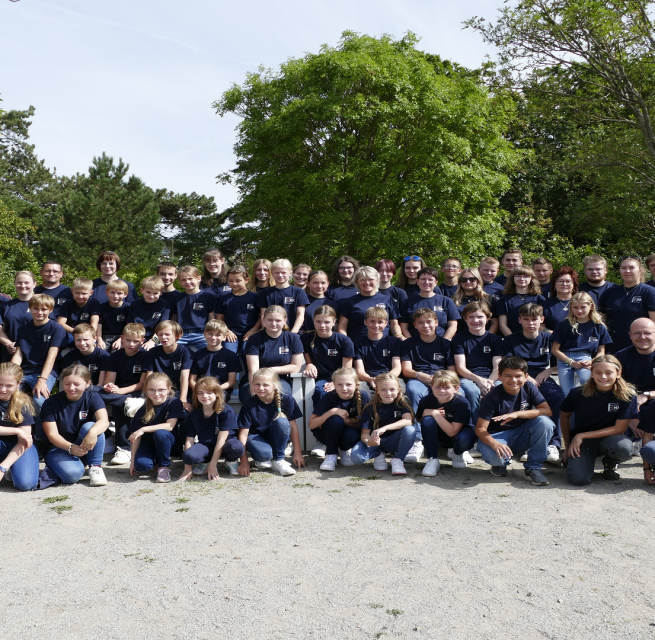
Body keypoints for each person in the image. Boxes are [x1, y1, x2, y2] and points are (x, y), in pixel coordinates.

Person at [475, 356, 554, 486]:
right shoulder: (492, 397)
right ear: (499, 376)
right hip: (498, 436)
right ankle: (500, 464)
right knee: (497, 458)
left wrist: (517, 414)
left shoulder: (529, 387)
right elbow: (480, 429)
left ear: (526, 376)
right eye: (508, 376)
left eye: (518, 376)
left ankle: (533, 467)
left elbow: (547, 411)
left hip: (521, 433)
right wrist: (494, 444)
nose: (513, 380)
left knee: (545, 422)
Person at [504, 303, 567, 464]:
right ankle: (529, 444)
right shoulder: (511, 339)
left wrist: (549, 370)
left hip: (542, 376)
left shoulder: (549, 339)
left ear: (542, 319)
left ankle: (553, 444)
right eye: (526, 319)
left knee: (557, 397)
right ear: (519, 320)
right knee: (524, 399)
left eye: (534, 319)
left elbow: (563, 362)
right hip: (518, 378)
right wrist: (525, 377)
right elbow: (508, 364)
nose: (530, 323)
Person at [560, 355, 636, 485]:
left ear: (618, 374)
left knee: (624, 447)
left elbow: (619, 429)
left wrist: (581, 435)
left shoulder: (627, 395)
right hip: (583, 442)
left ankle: (610, 463)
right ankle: (582, 461)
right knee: (578, 479)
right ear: (592, 374)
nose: (603, 377)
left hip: (610, 439)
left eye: (609, 372)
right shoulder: (577, 393)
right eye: (598, 372)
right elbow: (564, 416)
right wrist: (567, 447)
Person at [40, 364, 109, 487]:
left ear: (87, 383)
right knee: (73, 475)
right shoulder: (50, 403)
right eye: (67, 384)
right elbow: (52, 434)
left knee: (92, 426)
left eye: (76, 384)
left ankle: (95, 467)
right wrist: (70, 447)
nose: (71, 388)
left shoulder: (93, 398)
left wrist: (92, 432)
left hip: (83, 446)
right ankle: (60, 467)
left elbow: (104, 421)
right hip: (58, 448)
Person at [11, 294, 67, 440]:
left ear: (50, 310)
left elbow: (52, 356)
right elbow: (18, 354)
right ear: (30, 309)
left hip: (46, 371)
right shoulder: (23, 329)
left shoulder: (56, 328)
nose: (40, 312)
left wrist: (42, 380)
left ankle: (42, 438)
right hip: (25, 370)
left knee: (39, 401)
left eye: (44, 309)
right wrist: (10, 375)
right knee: (8, 394)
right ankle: (14, 434)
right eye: (36, 308)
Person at [400, 308, 453, 463]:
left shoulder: (446, 344)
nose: (425, 326)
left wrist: (440, 379)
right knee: (413, 390)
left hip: (442, 379)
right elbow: (406, 370)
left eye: (429, 321)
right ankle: (416, 440)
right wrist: (419, 375)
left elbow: (452, 370)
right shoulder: (408, 344)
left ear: (436, 322)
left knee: (459, 394)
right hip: (418, 378)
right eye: (420, 322)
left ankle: (455, 444)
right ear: (415, 325)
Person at [236, 368, 305, 476]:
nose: (261, 388)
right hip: (255, 437)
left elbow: (293, 427)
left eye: (265, 385)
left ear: (274, 385)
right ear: (252, 384)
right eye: (257, 384)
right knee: (264, 454)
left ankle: (279, 460)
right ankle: (261, 459)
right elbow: (243, 434)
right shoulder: (248, 405)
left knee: (282, 422)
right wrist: (244, 461)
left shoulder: (287, 399)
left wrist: (298, 453)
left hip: (276, 436)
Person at [178, 376, 244, 480]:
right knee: (188, 455)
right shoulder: (194, 414)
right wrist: (187, 467)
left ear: (217, 393)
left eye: (209, 392)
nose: (205, 396)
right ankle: (206, 461)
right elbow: (189, 440)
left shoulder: (226, 411)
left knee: (236, 447)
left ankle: (230, 461)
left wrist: (213, 465)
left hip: (225, 445)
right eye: (200, 393)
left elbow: (221, 440)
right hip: (207, 445)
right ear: (196, 395)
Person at [350, 372, 416, 475]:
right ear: (377, 390)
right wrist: (369, 442)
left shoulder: (402, 403)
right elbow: (364, 433)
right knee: (357, 457)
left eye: (392, 389)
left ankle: (398, 459)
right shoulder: (370, 407)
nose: (388, 393)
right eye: (383, 390)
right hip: (376, 441)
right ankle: (379, 454)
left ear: (398, 389)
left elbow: (408, 420)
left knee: (410, 429)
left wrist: (384, 428)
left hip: (393, 441)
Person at [101, 323, 148, 465]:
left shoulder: (145, 356)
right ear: (122, 338)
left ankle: (125, 448)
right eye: (128, 340)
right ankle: (107, 435)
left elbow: (142, 384)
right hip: (118, 392)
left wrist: (121, 392)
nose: (131, 344)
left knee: (121, 405)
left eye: (135, 341)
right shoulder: (115, 356)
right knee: (90, 394)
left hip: (137, 392)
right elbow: (109, 379)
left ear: (142, 341)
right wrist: (110, 386)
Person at [450, 302, 503, 425]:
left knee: (501, 388)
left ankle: (497, 425)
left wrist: (488, 383)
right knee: (472, 391)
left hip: (492, 377)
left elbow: (497, 367)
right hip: (468, 377)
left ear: (487, 318)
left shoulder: (495, 339)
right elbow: (460, 367)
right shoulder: (459, 339)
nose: (475, 320)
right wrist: (479, 380)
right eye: (471, 317)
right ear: (465, 318)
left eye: (480, 317)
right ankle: (475, 426)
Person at [128, 372, 185, 484]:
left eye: (161, 390)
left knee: (160, 433)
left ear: (168, 389)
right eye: (152, 390)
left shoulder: (174, 402)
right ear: (146, 390)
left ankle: (164, 467)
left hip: (170, 443)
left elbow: (169, 426)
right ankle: (156, 460)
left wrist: (143, 429)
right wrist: (132, 460)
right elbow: (136, 437)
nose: (156, 394)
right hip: (149, 444)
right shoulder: (143, 409)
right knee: (141, 466)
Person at [308, 367, 369, 471]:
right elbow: (312, 424)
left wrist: (344, 420)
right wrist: (333, 412)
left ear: (356, 385)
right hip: (326, 434)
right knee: (335, 420)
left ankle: (344, 450)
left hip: (349, 435)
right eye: (340, 384)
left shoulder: (363, 396)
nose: (344, 388)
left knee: (353, 434)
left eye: (348, 384)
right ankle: (331, 455)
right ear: (334, 385)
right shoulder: (329, 397)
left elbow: (365, 424)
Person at [416, 370, 476, 475]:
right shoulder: (426, 400)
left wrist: (435, 413)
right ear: (431, 387)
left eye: (446, 387)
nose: (442, 391)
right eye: (438, 387)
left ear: (456, 388)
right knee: (427, 420)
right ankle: (432, 459)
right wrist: (426, 415)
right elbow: (420, 420)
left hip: (458, 434)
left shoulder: (462, 402)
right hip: (440, 435)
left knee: (465, 440)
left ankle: (457, 452)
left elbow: (452, 432)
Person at [551, 293, 611, 395]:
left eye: (583, 307)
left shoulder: (598, 326)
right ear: (571, 307)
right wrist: (570, 362)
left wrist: (592, 361)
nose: (579, 311)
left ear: (591, 306)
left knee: (586, 381)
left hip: (585, 358)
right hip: (565, 359)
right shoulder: (564, 324)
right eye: (575, 307)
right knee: (566, 392)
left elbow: (601, 351)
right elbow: (555, 350)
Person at [242, 305, 303, 404]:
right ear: (263, 320)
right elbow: (253, 369)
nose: (273, 324)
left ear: (285, 321)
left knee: (282, 396)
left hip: (280, 380)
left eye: (278, 320)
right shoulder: (254, 339)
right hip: (256, 380)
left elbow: (296, 367)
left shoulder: (293, 338)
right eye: (270, 320)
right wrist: (254, 393)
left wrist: (271, 370)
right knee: (250, 400)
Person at [599, 256, 655, 353]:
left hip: (640, 347)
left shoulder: (649, 292)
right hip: (612, 346)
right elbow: (601, 323)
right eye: (623, 268)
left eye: (631, 267)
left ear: (640, 270)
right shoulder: (610, 292)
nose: (627, 271)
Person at [301, 305, 354, 406]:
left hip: (341, 378)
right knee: (320, 390)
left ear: (334, 322)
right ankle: (319, 415)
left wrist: (336, 382)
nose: (322, 325)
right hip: (320, 379)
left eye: (327, 322)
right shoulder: (306, 338)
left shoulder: (344, 341)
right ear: (313, 321)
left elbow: (346, 369)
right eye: (318, 321)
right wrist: (309, 364)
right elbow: (308, 361)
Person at [615, 318, 655, 451]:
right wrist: (629, 418)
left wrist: (647, 395)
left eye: (647, 333)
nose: (642, 337)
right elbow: (612, 389)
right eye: (637, 333)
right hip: (630, 406)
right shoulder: (620, 357)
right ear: (630, 335)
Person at [0, 363, 39, 491]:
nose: (3, 389)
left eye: (9, 385)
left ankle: (10, 467)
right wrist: (16, 430)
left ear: (18, 384)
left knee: (25, 484)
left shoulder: (22, 403)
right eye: (0, 384)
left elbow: (24, 440)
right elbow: (20, 432)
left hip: (20, 445)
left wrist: (2, 467)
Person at [338, 266, 401, 341]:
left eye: (371, 279)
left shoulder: (388, 300)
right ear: (357, 282)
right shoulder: (349, 302)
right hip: (357, 345)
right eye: (363, 280)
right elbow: (342, 327)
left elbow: (394, 324)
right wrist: (346, 342)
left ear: (377, 280)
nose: (367, 282)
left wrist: (398, 335)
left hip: (383, 344)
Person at [143, 320, 192, 411]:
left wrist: (183, 400)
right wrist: (149, 395)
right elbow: (149, 376)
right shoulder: (153, 352)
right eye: (160, 335)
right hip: (157, 392)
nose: (163, 337)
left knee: (183, 412)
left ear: (178, 335)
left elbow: (184, 377)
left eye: (167, 334)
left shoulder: (185, 352)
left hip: (177, 392)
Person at [215, 265, 261, 359]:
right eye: (231, 281)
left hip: (250, 333)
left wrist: (253, 330)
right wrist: (227, 331)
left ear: (246, 280)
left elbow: (261, 317)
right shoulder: (224, 298)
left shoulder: (255, 297)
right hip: (231, 334)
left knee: (247, 351)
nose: (234, 283)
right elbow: (220, 318)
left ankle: (249, 370)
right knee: (228, 353)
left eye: (238, 280)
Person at [400, 267, 459, 340]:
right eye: (423, 279)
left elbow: (453, 326)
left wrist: (443, 342)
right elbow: (403, 326)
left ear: (436, 282)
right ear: (417, 281)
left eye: (430, 279)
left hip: (441, 342)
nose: (426, 282)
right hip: (415, 343)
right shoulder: (408, 302)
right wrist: (410, 342)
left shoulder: (446, 301)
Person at [189, 320, 240, 401]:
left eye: (218, 335)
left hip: (221, 389)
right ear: (204, 334)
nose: (213, 337)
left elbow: (231, 382)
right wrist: (202, 391)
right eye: (210, 333)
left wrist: (215, 389)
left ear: (224, 337)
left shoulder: (231, 356)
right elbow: (192, 380)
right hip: (201, 389)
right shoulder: (196, 355)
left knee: (214, 398)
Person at [353, 308, 402, 391]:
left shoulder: (394, 342)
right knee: (361, 391)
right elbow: (360, 371)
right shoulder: (357, 344)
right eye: (372, 321)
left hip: (390, 377)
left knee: (401, 390)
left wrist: (385, 380)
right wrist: (370, 379)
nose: (376, 325)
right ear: (365, 322)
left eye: (380, 322)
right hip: (367, 379)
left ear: (386, 323)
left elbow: (397, 368)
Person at [257, 259, 309, 334]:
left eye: (283, 272)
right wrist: (267, 332)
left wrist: (293, 334)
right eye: (277, 272)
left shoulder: (299, 292)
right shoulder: (264, 293)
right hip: (271, 333)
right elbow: (263, 315)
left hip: (294, 333)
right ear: (272, 273)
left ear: (291, 273)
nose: (280, 275)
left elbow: (300, 315)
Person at [171, 265, 216, 351]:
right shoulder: (176, 298)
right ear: (179, 281)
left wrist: (211, 333)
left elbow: (211, 318)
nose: (187, 282)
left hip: (201, 334)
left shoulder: (208, 297)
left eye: (190, 278)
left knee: (212, 352)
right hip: (181, 334)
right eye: (183, 280)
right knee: (168, 350)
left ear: (199, 278)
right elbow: (174, 318)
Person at [497, 266, 545, 336]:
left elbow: (542, 322)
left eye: (526, 276)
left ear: (531, 278)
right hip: (512, 338)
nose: (522, 279)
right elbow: (503, 325)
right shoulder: (504, 299)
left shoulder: (539, 298)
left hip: (534, 338)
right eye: (518, 276)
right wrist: (512, 339)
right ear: (513, 278)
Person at [126, 276, 171, 349]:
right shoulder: (135, 304)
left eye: (155, 293)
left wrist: (153, 341)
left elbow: (163, 327)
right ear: (141, 290)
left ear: (161, 293)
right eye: (148, 292)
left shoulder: (164, 306)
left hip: (156, 337)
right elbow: (129, 325)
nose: (151, 296)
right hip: (135, 337)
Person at [0, 271, 36, 358]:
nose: (23, 286)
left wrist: (22, 346)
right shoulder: (6, 306)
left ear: (34, 284)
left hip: (34, 352)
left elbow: (47, 330)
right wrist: (10, 345)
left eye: (26, 282)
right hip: (10, 352)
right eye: (19, 282)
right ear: (14, 284)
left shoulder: (42, 304)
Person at [61, 324, 111, 389]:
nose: (82, 343)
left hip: (96, 389)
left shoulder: (103, 356)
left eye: (86, 339)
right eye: (78, 340)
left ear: (95, 339)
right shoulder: (69, 356)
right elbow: (67, 379)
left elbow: (100, 384)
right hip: (75, 389)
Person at [452, 268, 498, 333]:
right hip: (459, 337)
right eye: (464, 280)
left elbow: (495, 323)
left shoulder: (488, 299)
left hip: (483, 336)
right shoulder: (452, 300)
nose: (468, 282)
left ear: (478, 281)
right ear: (460, 282)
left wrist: (487, 337)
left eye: (472, 279)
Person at [57, 277, 101, 343]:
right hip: (71, 332)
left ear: (91, 293)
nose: (80, 296)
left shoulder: (94, 303)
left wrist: (87, 334)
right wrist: (77, 333)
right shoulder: (67, 304)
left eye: (84, 293)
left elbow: (94, 322)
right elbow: (60, 323)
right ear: (72, 291)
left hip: (88, 333)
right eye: (77, 293)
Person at [97, 279, 130, 351]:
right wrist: (99, 339)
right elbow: (99, 324)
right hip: (105, 336)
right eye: (112, 292)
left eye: (119, 293)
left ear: (125, 294)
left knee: (117, 351)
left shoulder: (128, 308)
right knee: (101, 351)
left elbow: (129, 326)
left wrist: (122, 339)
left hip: (122, 336)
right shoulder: (102, 307)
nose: (115, 296)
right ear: (106, 292)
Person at [542, 267, 578, 331]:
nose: (564, 284)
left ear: (574, 285)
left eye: (568, 281)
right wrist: (554, 335)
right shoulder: (545, 305)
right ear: (554, 285)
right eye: (560, 281)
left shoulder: (581, 303)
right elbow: (539, 326)